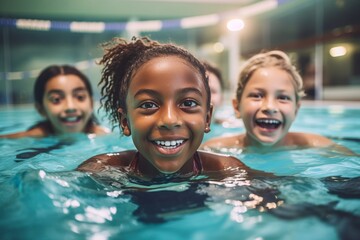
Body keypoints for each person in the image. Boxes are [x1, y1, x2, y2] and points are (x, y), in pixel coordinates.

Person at [77, 37, 269, 181]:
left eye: (188, 103)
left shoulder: (228, 171)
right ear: (125, 122)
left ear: (207, 118)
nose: (169, 120)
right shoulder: (101, 171)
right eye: (148, 105)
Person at [202, 50, 343, 153]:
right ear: (237, 107)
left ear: (296, 110)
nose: (270, 107)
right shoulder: (213, 149)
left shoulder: (318, 146)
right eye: (257, 95)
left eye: (283, 98)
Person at [0, 65, 110, 138]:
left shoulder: (106, 136)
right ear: (41, 109)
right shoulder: (31, 137)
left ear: (91, 103)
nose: (70, 107)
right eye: (56, 99)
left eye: (80, 97)